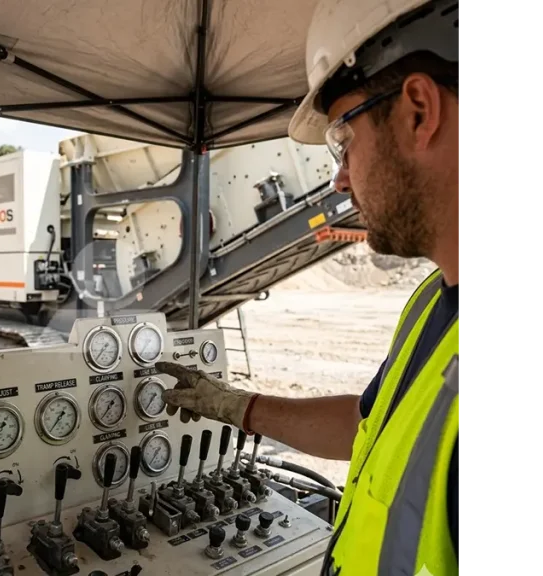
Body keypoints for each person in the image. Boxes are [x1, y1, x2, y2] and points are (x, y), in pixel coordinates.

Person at [154, 0, 463, 574]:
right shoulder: (431, 303)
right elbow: (370, 426)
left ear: (419, 111)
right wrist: (237, 406)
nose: (340, 177)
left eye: (343, 141)